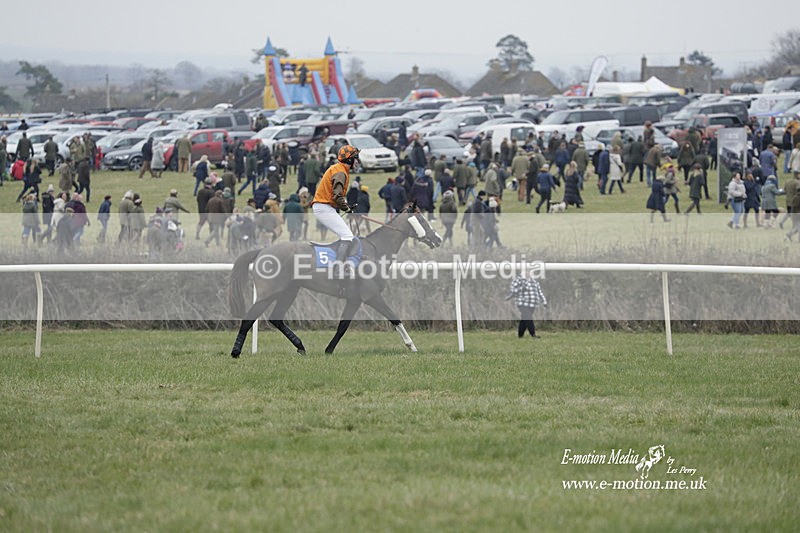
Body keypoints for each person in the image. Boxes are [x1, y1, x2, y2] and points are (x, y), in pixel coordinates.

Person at [310, 144, 360, 278]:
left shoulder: (339, 169)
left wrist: (346, 206)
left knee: (346, 234)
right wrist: (346, 208)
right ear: (349, 160)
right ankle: (338, 270)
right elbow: (337, 195)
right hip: (323, 207)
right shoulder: (341, 172)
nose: (357, 161)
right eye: (356, 158)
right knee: (347, 236)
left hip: (324, 207)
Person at [507, 271, 547, 339]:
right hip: (523, 303)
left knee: (524, 319)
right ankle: (533, 334)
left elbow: (539, 292)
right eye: (526, 271)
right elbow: (513, 290)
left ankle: (520, 335)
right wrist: (522, 288)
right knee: (528, 318)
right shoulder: (518, 280)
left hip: (533, 304)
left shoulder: (534, 281)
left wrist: (544, 302)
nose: (527, 273)